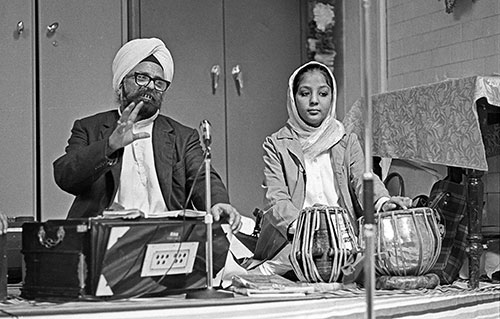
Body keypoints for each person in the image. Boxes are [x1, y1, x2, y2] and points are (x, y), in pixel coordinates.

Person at [53, 37, 241, 232]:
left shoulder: (183, 137)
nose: (151, 86)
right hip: (105, 238)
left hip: (167, 237)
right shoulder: (89, 128)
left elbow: (202, 176)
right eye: (141, 78)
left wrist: (217, 202)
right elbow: (66, 177)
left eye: (159, 83)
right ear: (121, 84)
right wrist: (109, 146)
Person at [253, 61, 413, 276]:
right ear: (293, 98)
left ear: (332, 97)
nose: (314, 101)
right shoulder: (277, 144)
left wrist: (383, 202)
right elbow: (276, 198)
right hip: (295, 239)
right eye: (304, 93)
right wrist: (306, 232)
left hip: (343, 238)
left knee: (369, 268)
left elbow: (363, 179)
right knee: (264, 277)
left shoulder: (346, 140)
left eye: (323, 93)